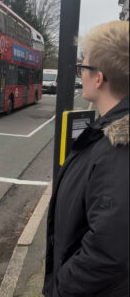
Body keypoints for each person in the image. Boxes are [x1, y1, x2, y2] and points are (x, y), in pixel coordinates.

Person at [43, 21, 129, 297]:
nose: (81, 73)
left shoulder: (118, 150)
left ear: (99, 77)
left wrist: (60, 288)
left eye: (83, 67)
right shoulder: (106, 137)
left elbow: (107, 253)